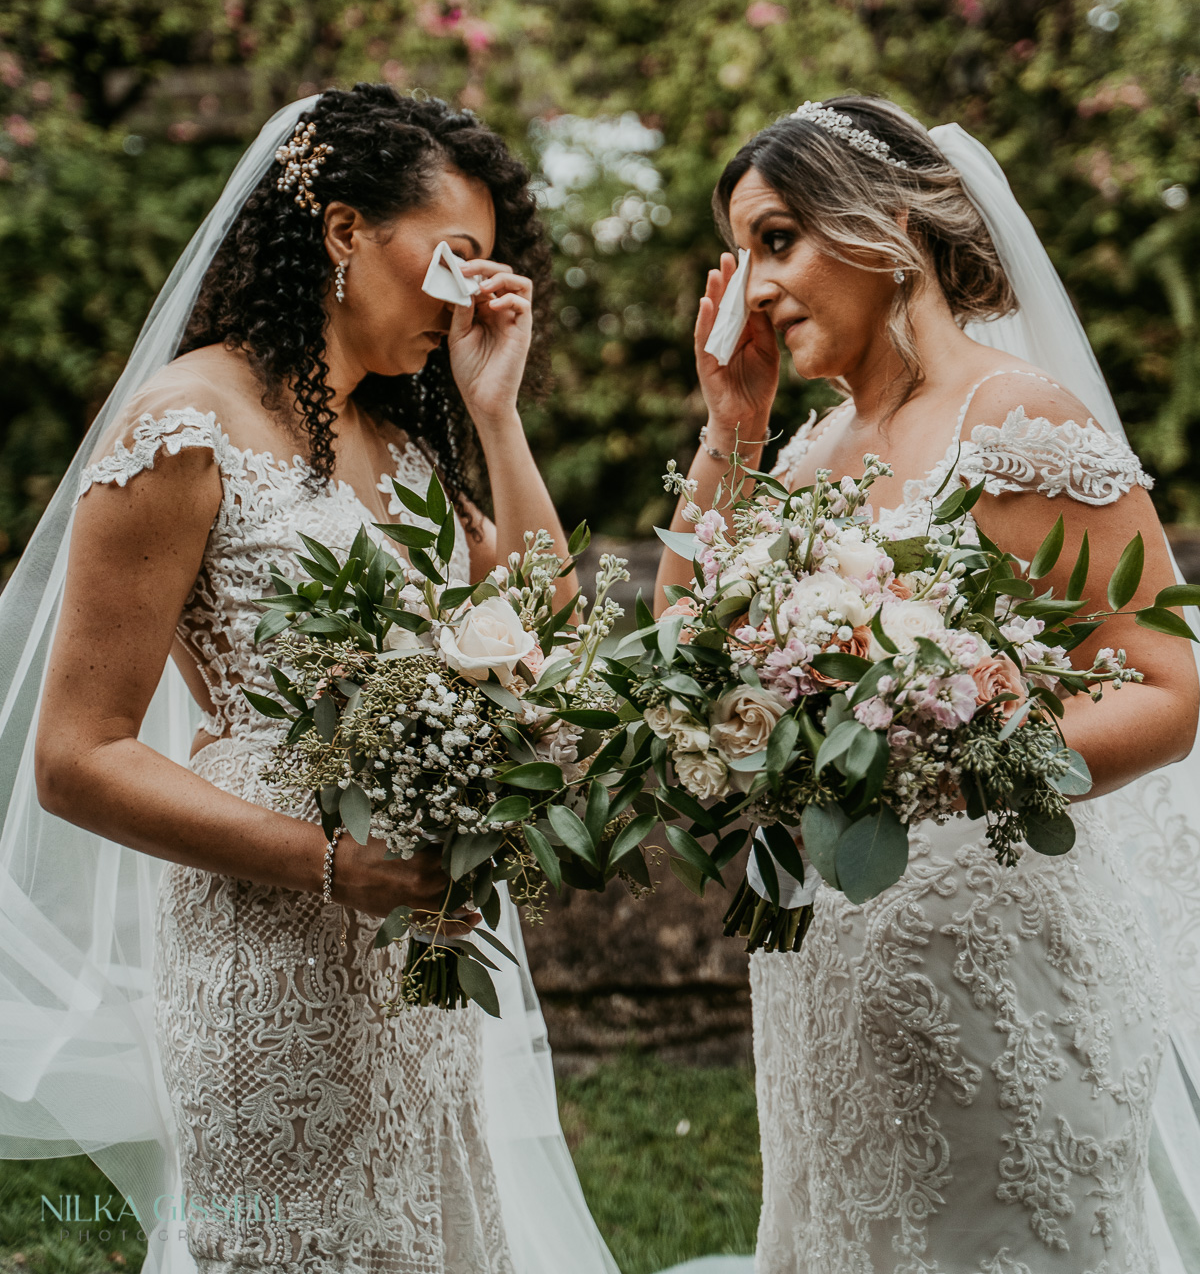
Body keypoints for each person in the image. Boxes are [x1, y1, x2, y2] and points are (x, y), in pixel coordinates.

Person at [0, 85, 619, 1274]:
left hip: (411, 947)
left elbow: (545, 629)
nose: (475, 293)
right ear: (343, 231)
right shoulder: (184, 426)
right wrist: (339, 867)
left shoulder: (404, 445)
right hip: (268, 943)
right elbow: (78, 757)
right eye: (456, 257)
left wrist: (498, 417)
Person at [656, 96, 1200, 1274]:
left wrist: (962, 752)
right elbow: (682, 656)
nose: (752, 288)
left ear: (887, 222)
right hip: (823, 967)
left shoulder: (1015, 419)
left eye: (779, 239)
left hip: (998, 963)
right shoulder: (798, 453)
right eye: (741, 254)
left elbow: (1166, 689)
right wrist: (732, 424)